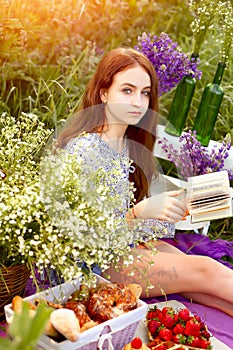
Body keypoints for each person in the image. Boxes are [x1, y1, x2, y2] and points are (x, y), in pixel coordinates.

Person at [57, 47, 233, 316]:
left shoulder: (127, 144)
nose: (138, 102)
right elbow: (83, 238)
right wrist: (138, 212)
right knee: (206, 270)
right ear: (104, 93)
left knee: (203, 285)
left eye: (145, 92)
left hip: (127, 244)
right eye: (127, 90)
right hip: (97, 263)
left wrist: (175, 208)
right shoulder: (85, 151)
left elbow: (126, 220)